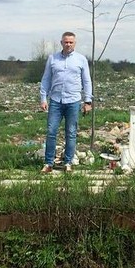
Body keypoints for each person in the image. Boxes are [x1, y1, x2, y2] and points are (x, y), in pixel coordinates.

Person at [39, 31, 93, 173]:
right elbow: (46, 79)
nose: (68, 44)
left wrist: (88, 101)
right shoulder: (52, 59)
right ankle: (48, 163)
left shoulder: (81, 59)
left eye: (71, 42)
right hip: (56, 100)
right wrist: (43, 98)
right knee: (51, 131)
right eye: (66, 42)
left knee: (71, 132)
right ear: (61, 43)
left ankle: (68, 162)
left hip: (73, 101)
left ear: (75, 43)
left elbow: (87, 81)